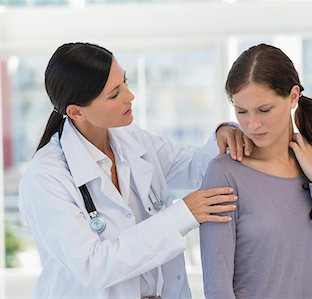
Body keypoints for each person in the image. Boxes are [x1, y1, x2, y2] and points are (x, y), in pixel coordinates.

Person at [18, 42, 254, 299]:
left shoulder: (132, 141)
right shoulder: (45, 177)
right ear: (76, 112)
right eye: (114, 94)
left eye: (125, 82)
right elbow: (93, 267)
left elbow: (197, 165)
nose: (130, 96)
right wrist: (182, 215)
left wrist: (223, 133)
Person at [199, 44, 312, 299]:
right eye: (241, 111)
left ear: (293, 96)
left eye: (264, 110)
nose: (253, 124)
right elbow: (217, 287)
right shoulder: (224, 174)